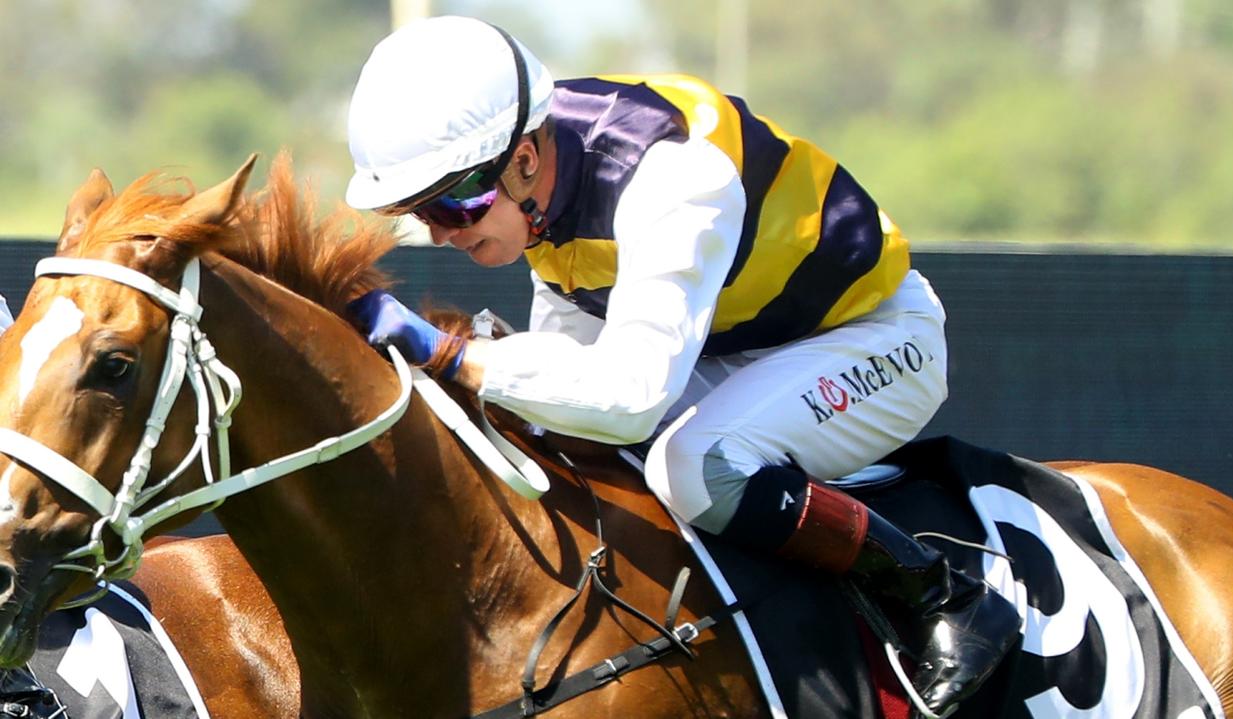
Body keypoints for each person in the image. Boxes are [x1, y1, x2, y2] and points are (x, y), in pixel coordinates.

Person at [342, 15, 1020, 714]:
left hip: (877, 338)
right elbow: (580, 383)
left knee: (696, 464)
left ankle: (940, 594)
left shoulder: (673, 177)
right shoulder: (542, 179)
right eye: (420, 209)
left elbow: (632, 393)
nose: (443, 232)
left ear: (523, 160)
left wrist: (453, 353)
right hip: (733, 342)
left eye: (456, 202)